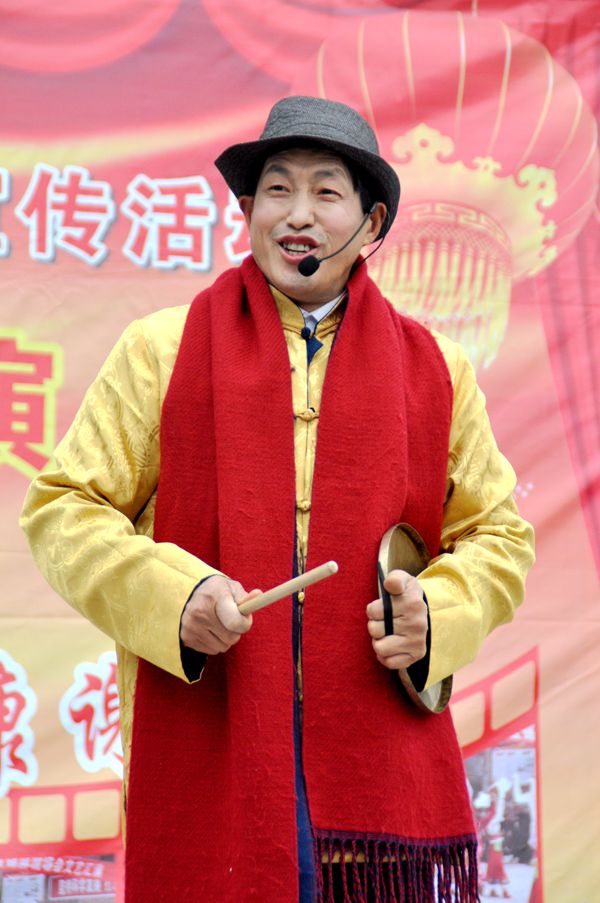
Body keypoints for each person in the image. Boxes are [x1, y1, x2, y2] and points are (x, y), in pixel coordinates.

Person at [20, 95, 535, 903]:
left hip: (372, 772)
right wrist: (175, 595)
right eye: (277, 190)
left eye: (326, 192)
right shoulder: (162, 350)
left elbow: (499, 536)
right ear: (248, 211)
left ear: (370, 223)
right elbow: (63, 508)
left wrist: (436, 614)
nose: (298, 214)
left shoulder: (436, 370)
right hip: (215, 736)